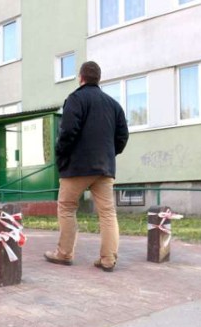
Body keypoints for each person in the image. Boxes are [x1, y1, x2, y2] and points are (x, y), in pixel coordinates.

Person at [44, 61, 129, 272]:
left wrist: (61, 155)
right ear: (98, 79)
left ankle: (64, 254)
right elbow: (123, 136)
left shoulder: (75, 99)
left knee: (66, 207)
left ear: (81, 78)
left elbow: (67, 132)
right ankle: (108, 259)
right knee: (108, 213)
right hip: (104, 168)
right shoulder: (114, 105)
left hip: (77, 167)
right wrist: (110, 153)